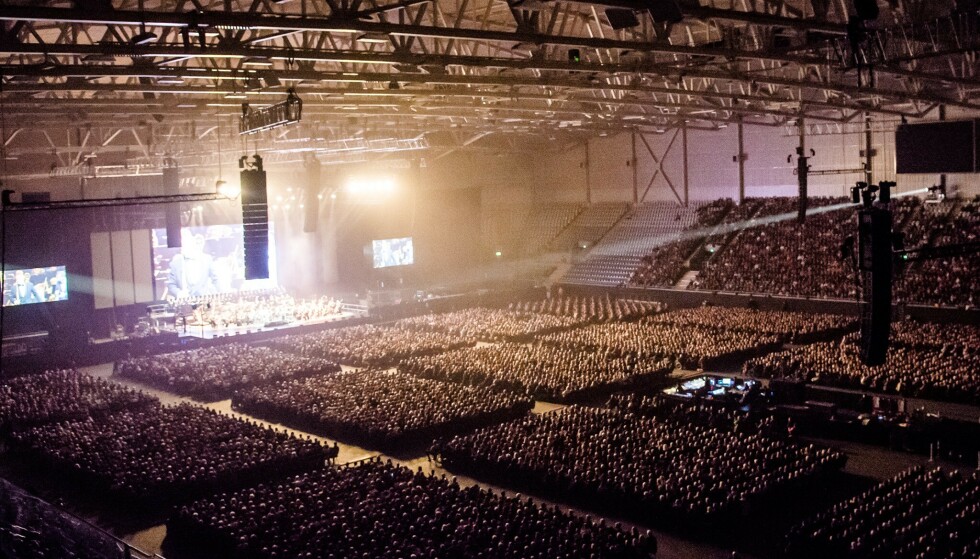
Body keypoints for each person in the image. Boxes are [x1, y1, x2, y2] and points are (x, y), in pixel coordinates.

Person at [166, 231, 219, 299]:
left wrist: (220, 295)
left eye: (186, 242)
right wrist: (179, 293)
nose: (183, 246)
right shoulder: (176, 263)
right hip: (185, 303)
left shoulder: (207, 259)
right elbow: (171, 285)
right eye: (182, 244)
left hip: (205, 302)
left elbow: (216, 280)